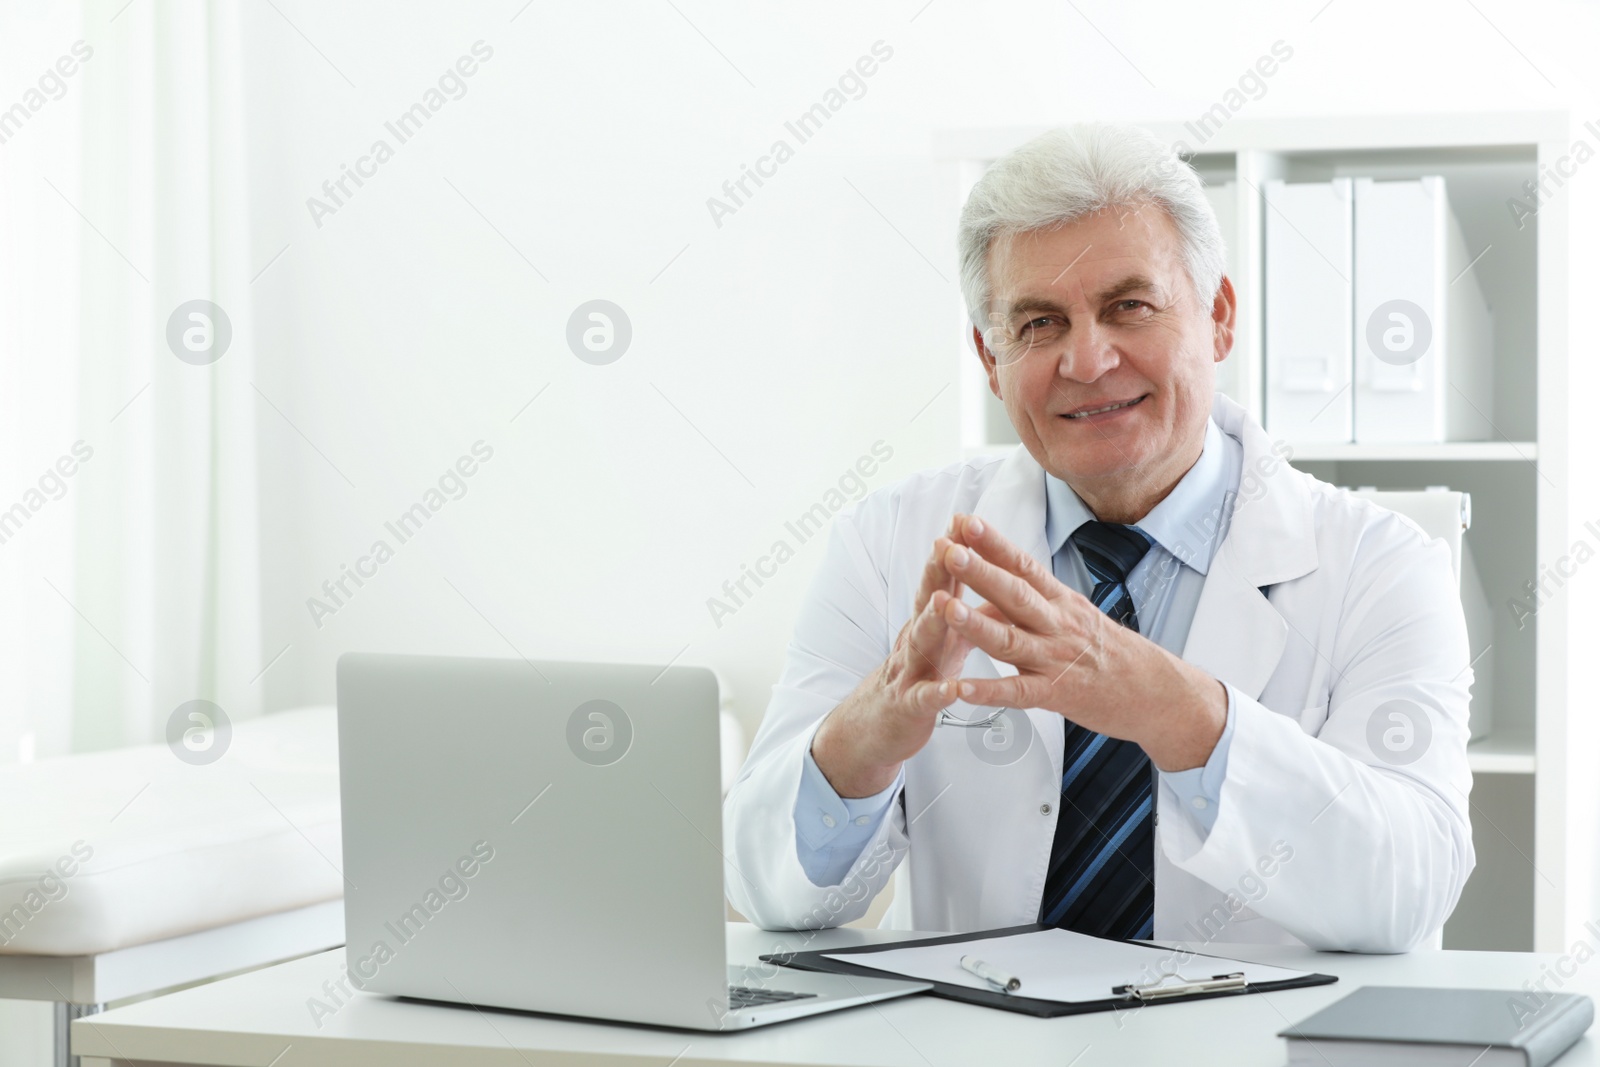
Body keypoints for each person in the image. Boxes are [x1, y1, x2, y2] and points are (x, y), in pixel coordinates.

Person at [723, 123, 1475, 953]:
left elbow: (1409, 889)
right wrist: (865, 738)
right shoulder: (888, 540)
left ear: (1218, 315)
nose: (1086, 359)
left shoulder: (1383, 562)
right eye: (1039, 324)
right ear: (989, 356)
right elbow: (766, 890)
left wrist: (1175, 711)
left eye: (1129, 306)